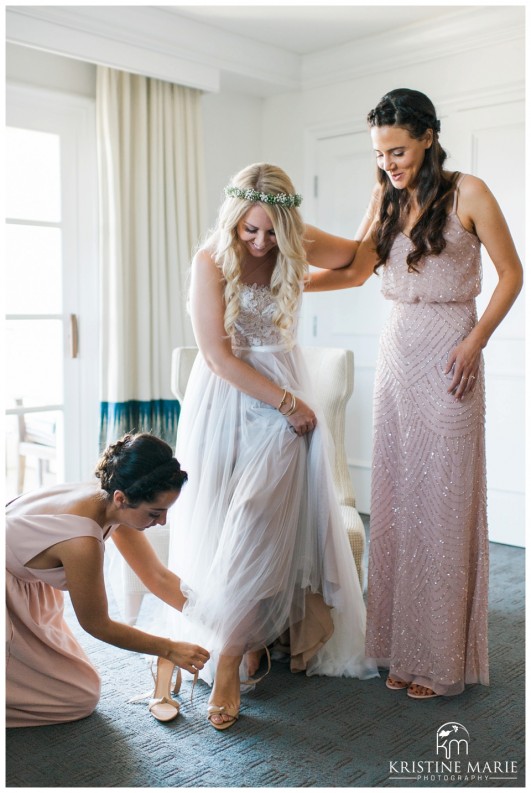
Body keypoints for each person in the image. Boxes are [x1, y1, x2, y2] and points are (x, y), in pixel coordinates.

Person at [306, 88, 523, 699]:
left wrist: (476, 340)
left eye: (397, 150)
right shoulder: (386, 196)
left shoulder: (469, 191)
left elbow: (512, 274)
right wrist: (287, 285)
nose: (389, 164)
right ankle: (400, 647)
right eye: (380, 154)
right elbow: (353, 268)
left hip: (452, 350)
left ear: (427, 136)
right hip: (398, 355)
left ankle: (440, 658)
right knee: (399, 503)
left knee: (444, 506)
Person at [164, 162, 378, 731]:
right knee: (223, 518)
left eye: (271, 232)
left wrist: (381, 192)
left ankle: (232, 655)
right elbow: (216, 356)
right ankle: (244, 635)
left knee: (258, 514)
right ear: (234, 220)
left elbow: (359, 264)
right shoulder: (210, 259)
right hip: (229, 398)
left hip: (286, 401)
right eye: (249, 230)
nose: (260, 241)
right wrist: (286, 403)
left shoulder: (294, 242)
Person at [6, 432, 210, 727]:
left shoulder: (113, 498)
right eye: (156, 513)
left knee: (71, 679)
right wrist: (168, 648)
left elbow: (157, 576)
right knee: (80, 696)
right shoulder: (81, 541)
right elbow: (96, 623)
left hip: (23, 584)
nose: (162, 522)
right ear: (121, 499)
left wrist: (214, 616)